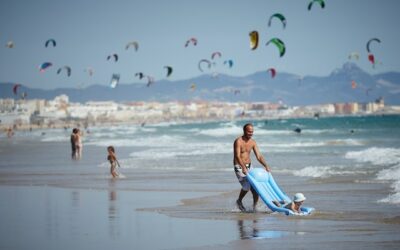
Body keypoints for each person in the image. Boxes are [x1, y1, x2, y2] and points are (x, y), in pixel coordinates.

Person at [234, 123, 271, 212]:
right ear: (244, 131)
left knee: (255, 188)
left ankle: (255, 207)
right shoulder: (238, 141)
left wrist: (265, 165)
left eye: (252, 132)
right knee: (246, 187)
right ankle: (239, 201)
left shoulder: (253, 142)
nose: (251, 133)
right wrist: (243, 167)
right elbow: (237, 156)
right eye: (249, 131)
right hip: (239, 166)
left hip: (249, 166)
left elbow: (259, 156)